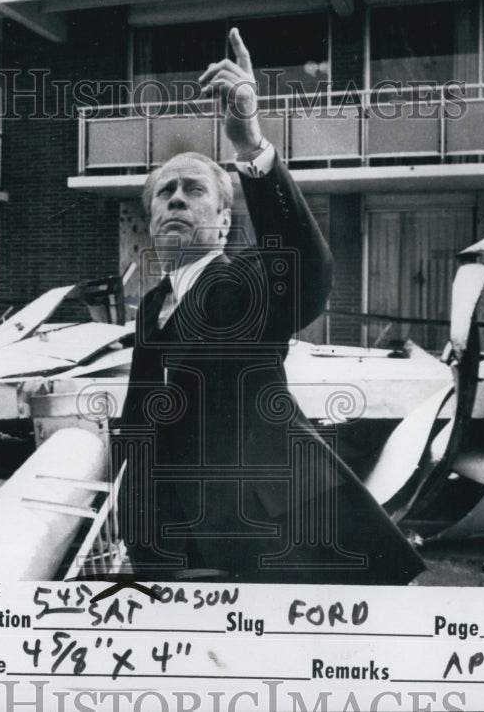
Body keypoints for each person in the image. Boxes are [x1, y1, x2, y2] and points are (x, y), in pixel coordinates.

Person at [114, 29, 424, 585]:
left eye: (194, 190)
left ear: (225, 221)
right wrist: (133, 522)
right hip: (172, 545)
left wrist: (250, 146)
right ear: (152, 220)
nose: (178, 198)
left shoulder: (246, 283)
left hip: (267, 538)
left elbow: (308, 271)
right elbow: (141, 429)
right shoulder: (150, 308)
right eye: (165, 193)